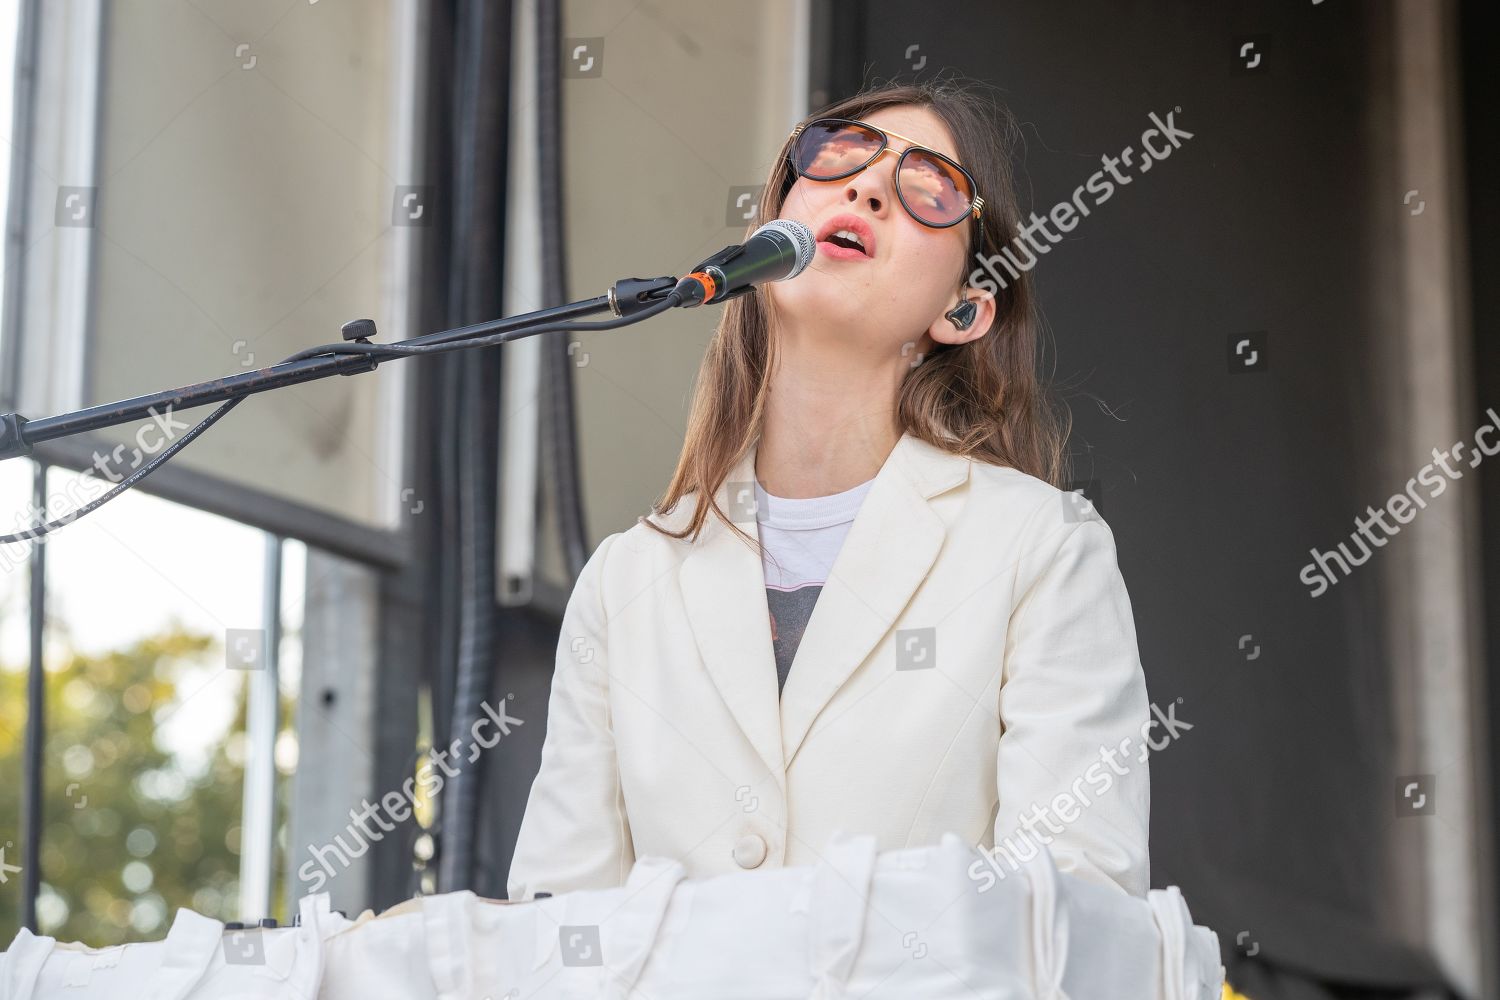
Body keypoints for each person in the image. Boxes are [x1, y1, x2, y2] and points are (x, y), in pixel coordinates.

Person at [506, 79, 1152, 903]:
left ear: (964, 309)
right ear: (763, 237)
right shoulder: (624, 582)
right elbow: (556, 928)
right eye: (839, 155)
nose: (869, 186)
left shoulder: (1041, 552)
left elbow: (1075, 915)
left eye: (930, 190)